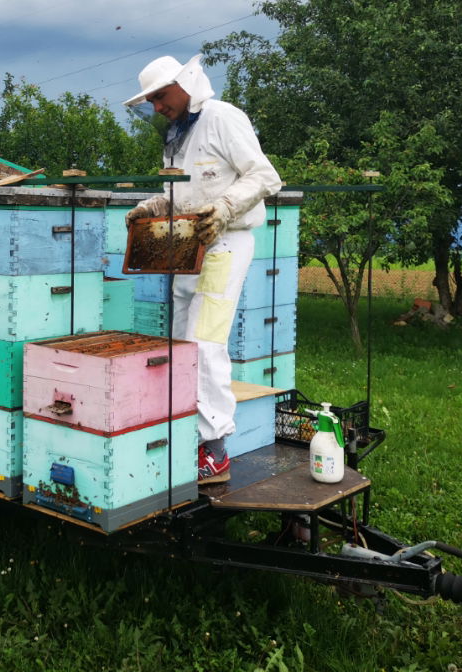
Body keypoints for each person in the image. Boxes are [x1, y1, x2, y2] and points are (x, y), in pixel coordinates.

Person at [122, 54, 282, 485]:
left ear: (185, 82)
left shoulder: (223, 117)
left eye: (160, 96)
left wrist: (227, 206)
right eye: (150, 100)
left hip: (226, 241)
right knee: (179, 342)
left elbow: (266, 176)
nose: (156, 106)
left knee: (205, 341)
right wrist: (154, 206)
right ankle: (183, 432)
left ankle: (214, 451)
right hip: (188, 244)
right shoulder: (176, 134)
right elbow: (181, 194)